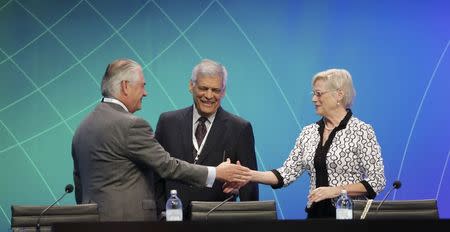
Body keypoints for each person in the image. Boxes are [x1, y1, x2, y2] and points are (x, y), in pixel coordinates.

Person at [71, 59, 251, 222]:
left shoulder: (84, 126)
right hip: (128, 221)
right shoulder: (131, 125)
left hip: (93, 221)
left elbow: (79, 181)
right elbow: (166, 166)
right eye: (142, 86)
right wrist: (215, 173)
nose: (145, 93)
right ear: (126, 86)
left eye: (216, 90)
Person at [227, 68, 386, 218]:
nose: (313, 99)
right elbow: (286, 174)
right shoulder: (308, 132)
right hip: (316, 215)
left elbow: (377, 181)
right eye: (313, 94)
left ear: (339, 95)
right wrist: (248, 175)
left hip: (349, 215)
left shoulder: (362, 131)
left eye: (318, 94)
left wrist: (335, 191)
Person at [154, 59, 259, 216]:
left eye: (216, 90)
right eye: (203, 88)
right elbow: (156, 173)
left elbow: (249, 184)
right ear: (191, 86)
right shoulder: (168, 122)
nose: (209, 96)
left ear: (223, 92)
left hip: (218, 222)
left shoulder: (240, 128)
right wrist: (159, 212)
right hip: (171, 219)